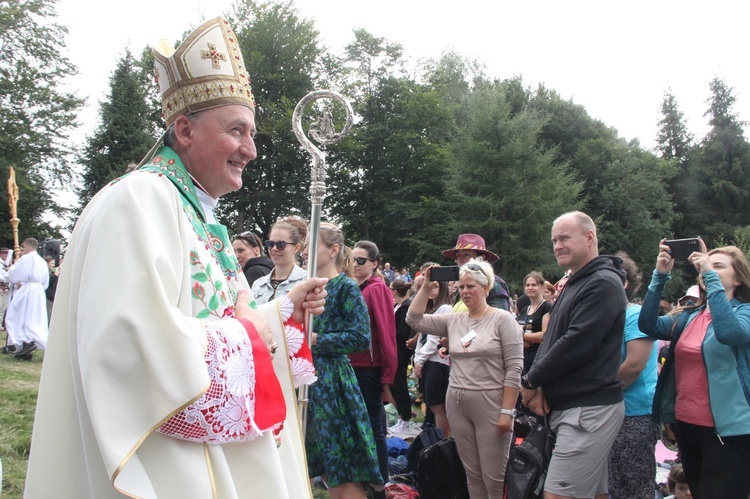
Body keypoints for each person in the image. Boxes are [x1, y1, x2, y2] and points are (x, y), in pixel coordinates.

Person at [24, 17, 327, 499]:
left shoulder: (198, 210)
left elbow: (218, 315)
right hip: (167, 463)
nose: (250, 150)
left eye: (252, 134)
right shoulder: (139, 200)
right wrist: (247, 335)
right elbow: (127, 342)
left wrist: (280, 312)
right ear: (184, 129)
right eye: (237, 131)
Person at [521, 211, 626, 499]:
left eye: (565, 238)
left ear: (590, 237)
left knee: (556, 495)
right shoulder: (577, 282)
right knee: (594, 494)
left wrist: (530, 381)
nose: (557, 246)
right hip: (572, 406)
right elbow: (553, 338)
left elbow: (576, 343)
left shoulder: (602, 283)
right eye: (554, 240)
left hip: (587, 409)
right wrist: (541, 384)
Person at [638, 240, 750, 499]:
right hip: (687, 425)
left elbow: (729, 332)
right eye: (706, 265)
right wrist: (660, 275)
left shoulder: (744, 312)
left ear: (738, 281)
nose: (707, 268)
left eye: (718, 265)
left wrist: (709, 274)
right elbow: (648, 324)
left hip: (729, 430)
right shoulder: (688, 316)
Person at [407, 260, 522, 497]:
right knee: (471, 472)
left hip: (490, 401)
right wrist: (427, 286)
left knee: (493, 475)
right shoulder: (455, 320)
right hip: (457, 401)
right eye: (461, 287)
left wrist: (507, 411)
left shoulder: (503, 319)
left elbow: (514, 367)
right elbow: (414, 319)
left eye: (471, 286)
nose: (465, 291)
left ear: (486, 289)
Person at [302, 222, 382, 497]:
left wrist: (316, 340)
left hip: (332, 384)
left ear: (334, 249)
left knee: (343, 470)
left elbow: (361, 338)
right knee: (325, 469)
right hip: (306, 381)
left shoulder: (346, 287)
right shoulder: (303, 287)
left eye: (312, 244)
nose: (304, 250)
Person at [607, 252, 659, 499]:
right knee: (611, 485)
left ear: (624, 283)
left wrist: (598, 392)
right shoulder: (605, 316)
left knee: (635, 485)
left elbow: (634, 365)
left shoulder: (635, 315)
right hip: (608, 411)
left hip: (635, 414)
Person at [350, 240, 397, 486]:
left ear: (375, 263)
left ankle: (381, 480)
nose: (355, 264)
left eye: (361, 260)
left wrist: (388, 375)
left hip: (369, 367)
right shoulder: (356, 286)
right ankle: (366, 474)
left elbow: (386, 331)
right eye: (352, 259)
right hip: (353, 364)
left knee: (373, 424)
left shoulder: (376, 288)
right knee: (360, 423)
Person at [412, 280, 453, 437]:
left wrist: (420, 360)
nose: (432, 290)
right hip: (426, 361)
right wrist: (417, 359)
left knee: (438, 406)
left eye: (436, 286)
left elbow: (435, 338)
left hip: (437, 362)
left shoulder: (445, 308)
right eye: (430, 287)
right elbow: (422, 335)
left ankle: (442, 440)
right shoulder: (429, 309)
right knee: (432, 405)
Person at [3, 238, 49, 360]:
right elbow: (45, 282)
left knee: (18, 315)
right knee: (34, 318)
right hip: (39, 292)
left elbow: (14, 274)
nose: (22, 250)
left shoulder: (27, 258)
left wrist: (8, 273)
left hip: (27, 289)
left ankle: (26, 341)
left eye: (23, 247)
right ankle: (27, 345)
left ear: (28, 246)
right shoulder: (42, 262)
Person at [442, 233, 511, 311]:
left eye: (466, 255)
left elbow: (500, 320)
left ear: (481, 258)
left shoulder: (494, 283)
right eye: (458, 256)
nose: (460, 259)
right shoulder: (462, 285)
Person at [252, 216, 307, 304]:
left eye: (280, 245)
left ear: (296, 248)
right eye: (270, 244)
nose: (274, 248)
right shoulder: (258, 284)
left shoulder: (306, 281)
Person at [388, 278, 417, 434]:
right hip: (394, 351)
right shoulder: (397, 306)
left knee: (400, 386)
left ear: (394, 291)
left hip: (400, 351)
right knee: (394, 385)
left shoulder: (405, 308)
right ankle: (401, 416)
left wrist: (386, 332)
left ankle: (404, 418)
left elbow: (402, 332)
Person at [518, 271, 553, 374]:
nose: (530, 287)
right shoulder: (524, 310)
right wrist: (521, 340)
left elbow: (544, 335)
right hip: (523, 357)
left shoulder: (547, 308)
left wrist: (522, 336)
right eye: (527, 285)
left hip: (538, 356)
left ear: (542, 287)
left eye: (534, 285)